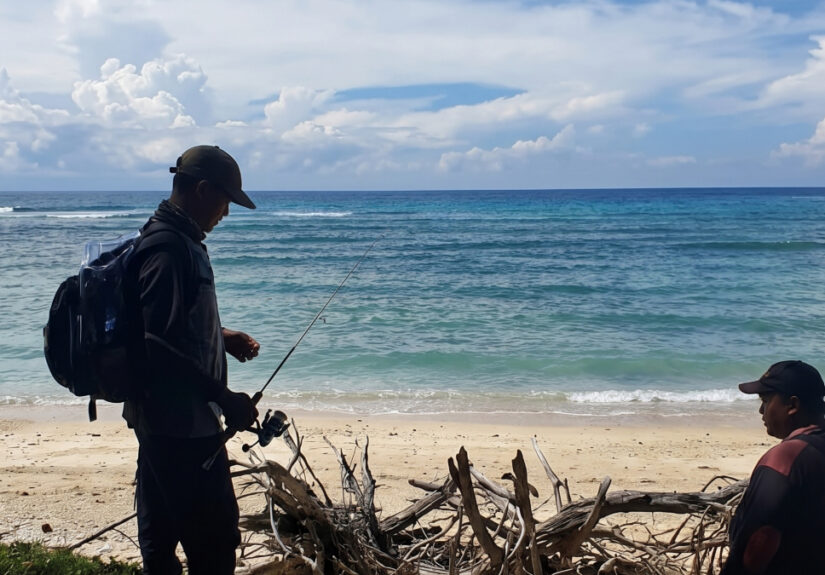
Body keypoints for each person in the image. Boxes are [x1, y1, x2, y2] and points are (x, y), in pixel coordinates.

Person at [123, 145, 261, 574]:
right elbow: (155, 345)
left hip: (164, 424)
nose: (226, 213)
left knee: (159, 541)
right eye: (225, 201)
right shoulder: (167, 248)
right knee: (215, 547)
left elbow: (163, 327)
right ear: (202, 190)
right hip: (181, 429)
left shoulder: (175, 240)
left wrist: (221, 337)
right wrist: (224, 396)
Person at [722, 360, 825, 575]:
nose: (761, 410)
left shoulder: (785, 459)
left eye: (766, 400)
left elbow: (758, 542)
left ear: (793, 406)